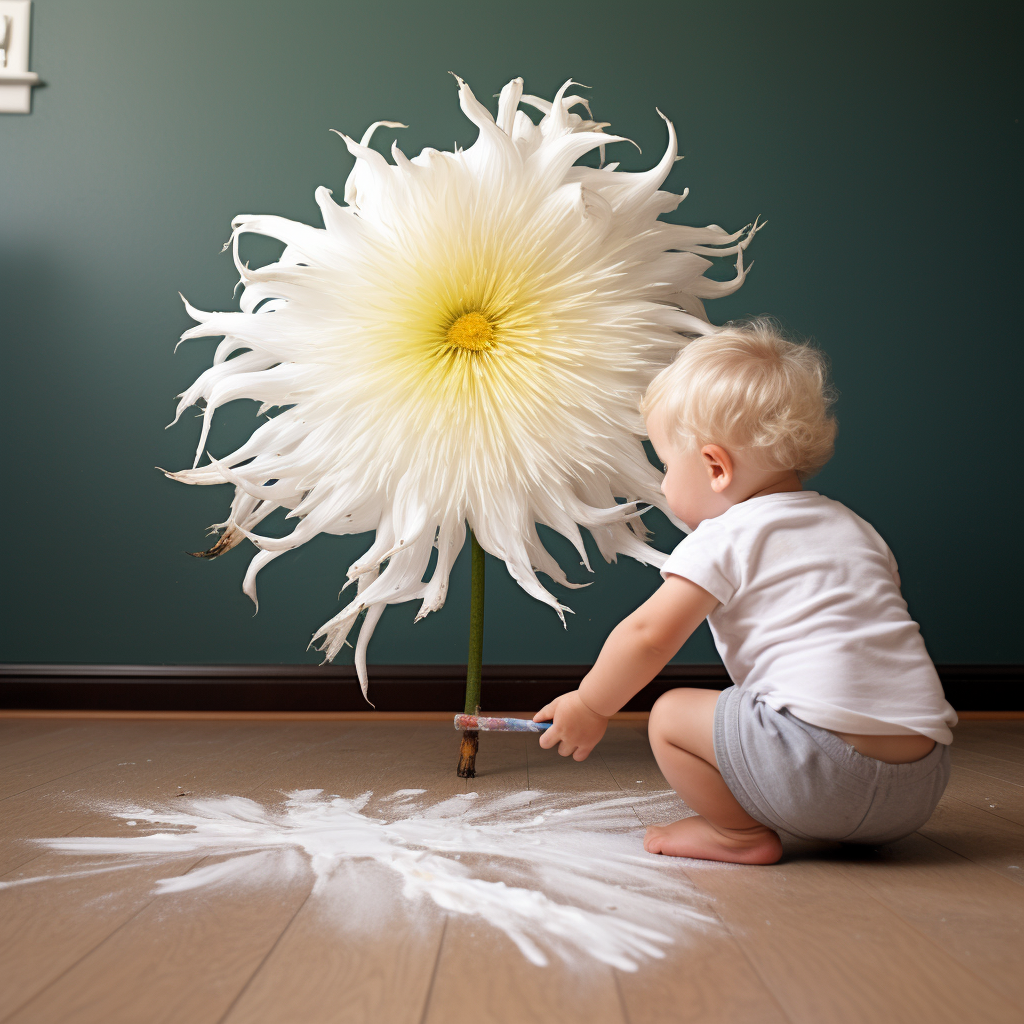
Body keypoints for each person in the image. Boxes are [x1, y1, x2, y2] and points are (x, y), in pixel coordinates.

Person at [533, 320, 956, 864]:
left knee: (670, 715)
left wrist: (590, 704)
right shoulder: (853, 527)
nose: (662, 484)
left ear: (715, 467)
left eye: (664, 465)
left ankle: (738, 835)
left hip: (820, 777)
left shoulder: (726, 536)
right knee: (768, 715)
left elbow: (648, 636)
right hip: (920, 782)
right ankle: (833, 821)